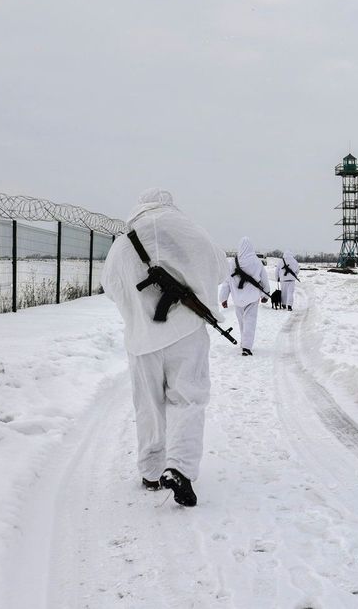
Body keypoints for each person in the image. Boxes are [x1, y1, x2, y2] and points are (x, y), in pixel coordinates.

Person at [101, 188, 227, 507]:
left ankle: (152, 470)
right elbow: (220, 268)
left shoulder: (123, 242)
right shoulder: (193, 232)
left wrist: (138, 309)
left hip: (143, 338)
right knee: (188, 399)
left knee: (148, 404)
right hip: (187, 332)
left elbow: (111, 286)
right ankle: (180, 468)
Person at [219, 237, 270, 356]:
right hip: (252, 299)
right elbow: (264, 280)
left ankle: (244, 342)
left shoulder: (232, 263)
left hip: (237, 299)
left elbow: (227, 282)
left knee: (242, 322)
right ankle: (246, 347)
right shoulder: (257, 262)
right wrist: (265, 294)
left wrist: (223, 298)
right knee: (250, 322)